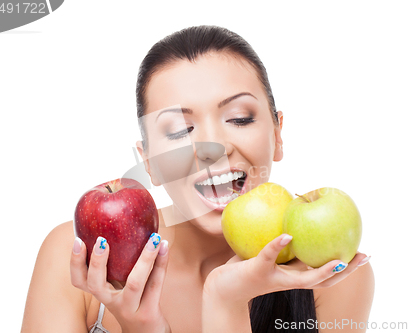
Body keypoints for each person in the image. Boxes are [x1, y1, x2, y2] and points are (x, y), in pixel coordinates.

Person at [22, 25, 374, 333]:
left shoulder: (331, 274)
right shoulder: (81, 259)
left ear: (278, 134)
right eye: (178, 130)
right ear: (149, 162)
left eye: (238, 118)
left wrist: (226, 302)